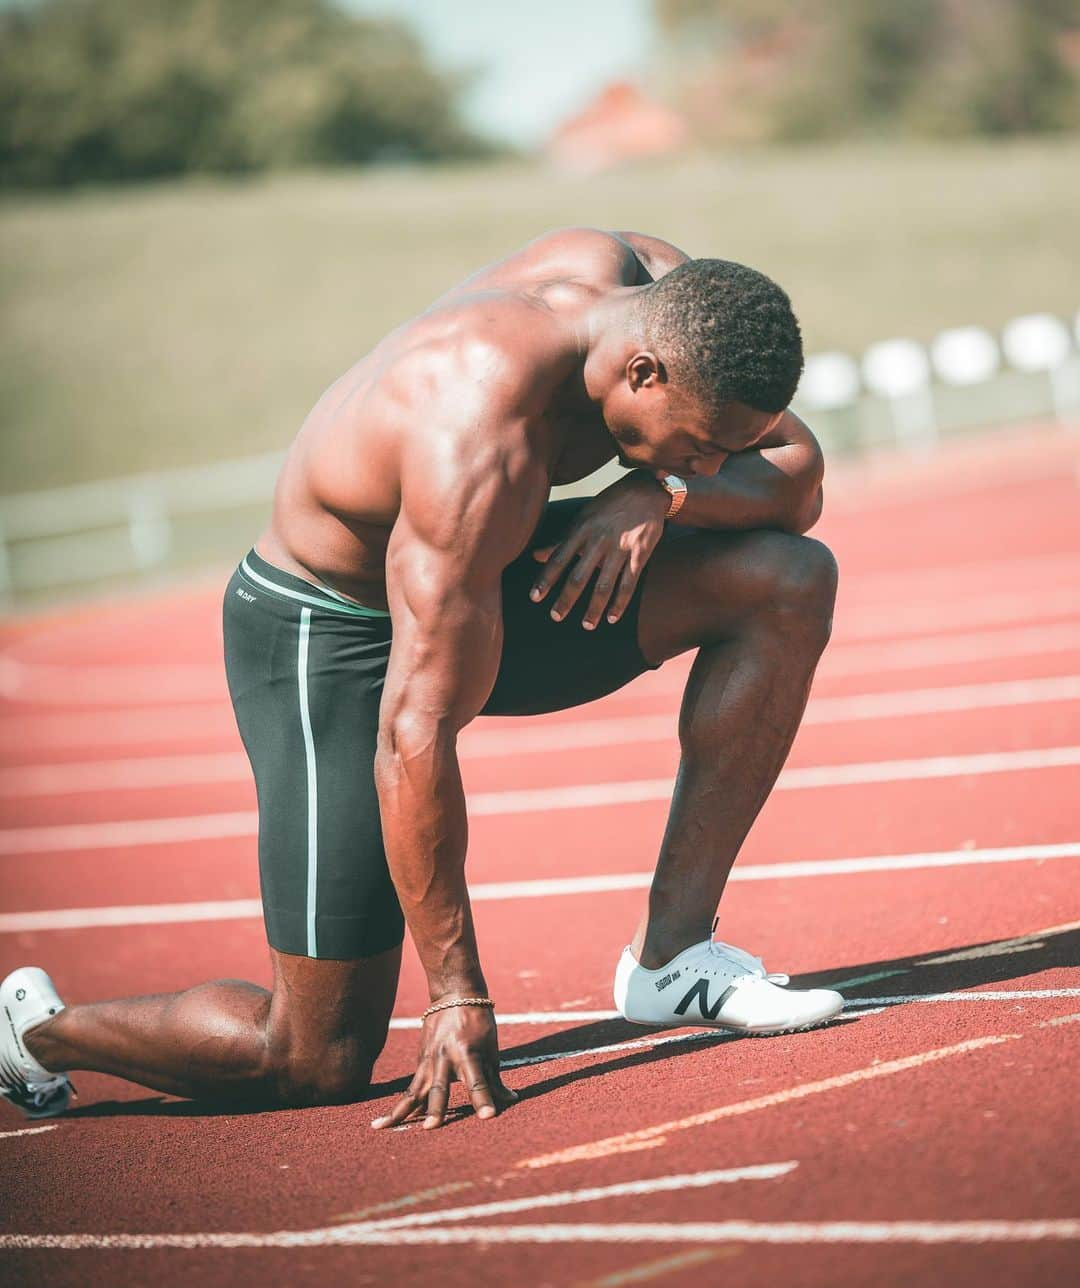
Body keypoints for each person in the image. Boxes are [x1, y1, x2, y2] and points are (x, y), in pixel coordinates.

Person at [1, 228, 843, 1130]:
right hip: (331, 638)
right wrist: (455, 994)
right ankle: (39, 1033)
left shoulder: (674, 306)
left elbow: (795, 477)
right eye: (704, 447)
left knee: (789, 578)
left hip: (487, 568)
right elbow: (415, 729)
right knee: (310, 1058)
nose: (715, 465)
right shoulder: (477, 425)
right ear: (643, 376)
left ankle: (673, 960)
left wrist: (660, 491)